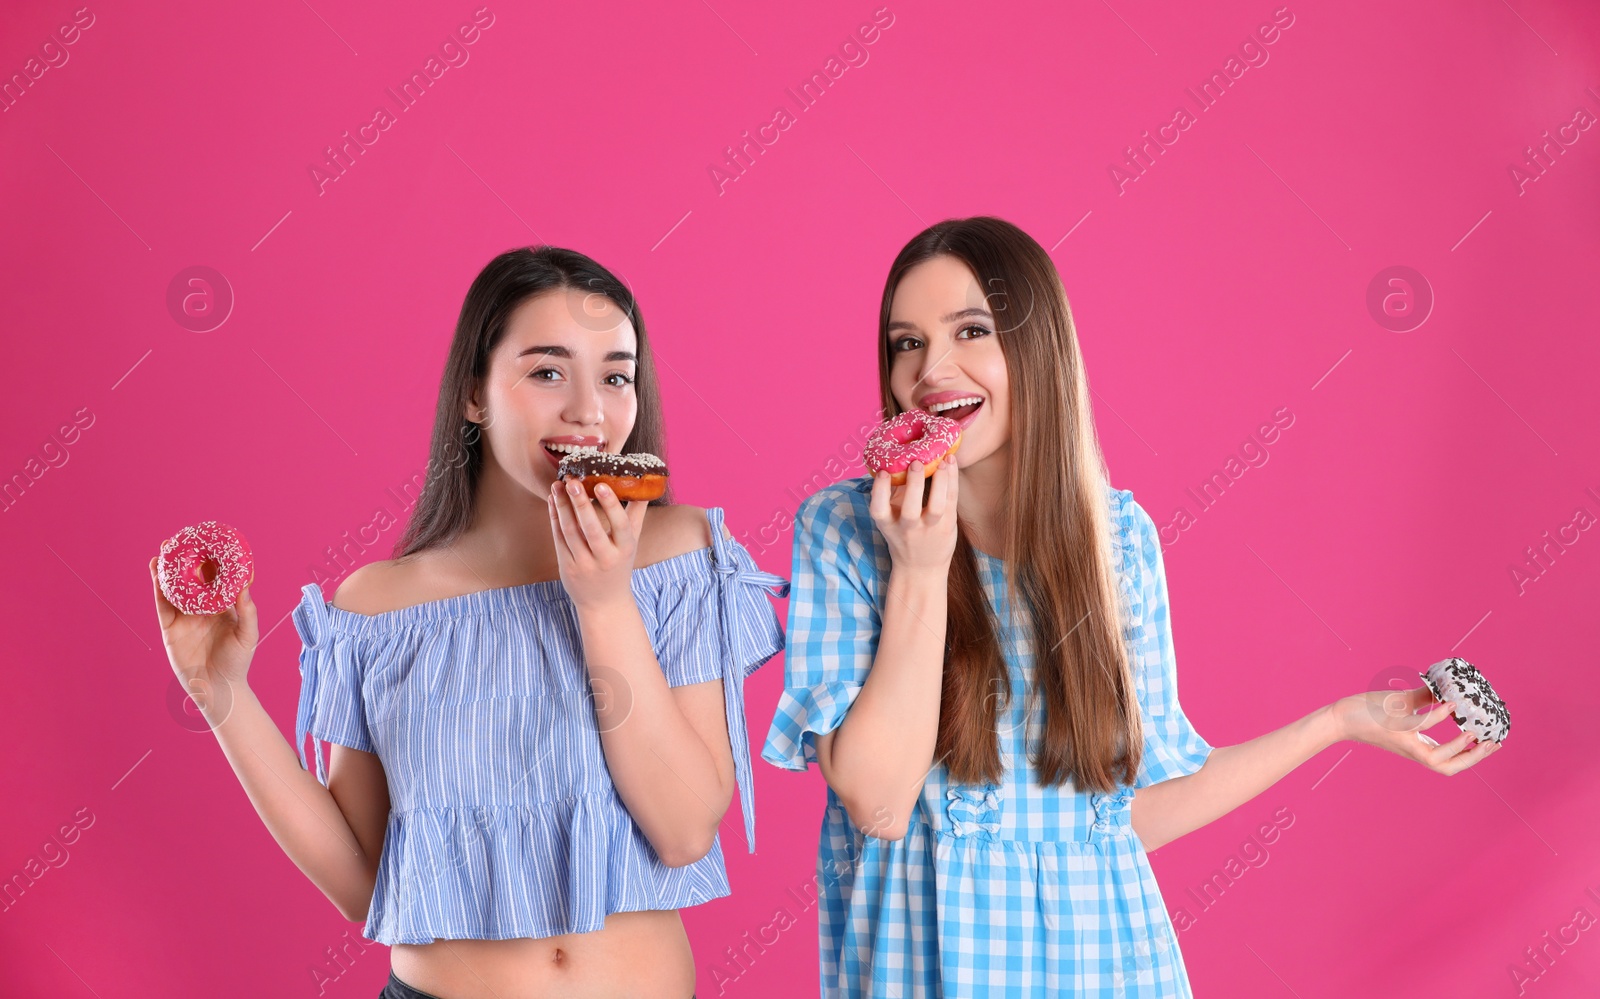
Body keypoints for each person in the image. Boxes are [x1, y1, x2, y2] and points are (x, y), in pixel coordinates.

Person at [759, 216, 1500, 998]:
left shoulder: (1118, 540)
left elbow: (1116, 821)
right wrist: (919, 567)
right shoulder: (844, 528)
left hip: (1109, 965)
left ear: (1038, 347)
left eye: (971, 329)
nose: (931, 369)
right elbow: (877, 803)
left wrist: (1338, 721)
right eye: (906, 342)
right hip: (922, 970)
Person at [151, 246, 788, 999]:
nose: (590, 409)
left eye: (616, 375)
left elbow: (684, 830)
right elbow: (368, 882)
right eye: (548, 370)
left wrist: (604, 601)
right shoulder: (379, 609)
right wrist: (218, 690)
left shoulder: (678, 559)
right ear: (474, 394)